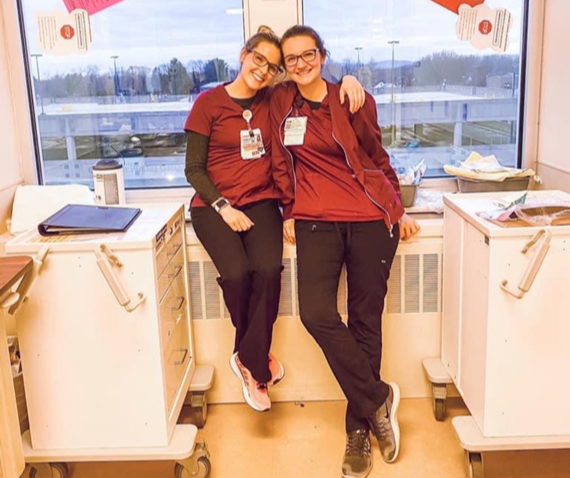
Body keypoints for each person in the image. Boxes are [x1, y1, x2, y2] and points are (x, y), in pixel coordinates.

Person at [183, 27, 365, 413]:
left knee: (267, 270)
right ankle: (256, 361)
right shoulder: (208, 103)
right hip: (213, 206)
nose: (264, 70)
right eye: (258, 59)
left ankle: (247, 359)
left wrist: (348, 78)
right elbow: (194, 169)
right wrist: (222, 207)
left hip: (263, 202)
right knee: (236, 274)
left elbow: (317, 82)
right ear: (243, 54)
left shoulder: (275, 99)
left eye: (273, 66)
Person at [270, 25, 420, 477]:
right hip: (316, 219)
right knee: (315, 312)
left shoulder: (354, 98)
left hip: (371, 219)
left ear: (322, 54)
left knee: (365, 321)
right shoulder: (280, 102)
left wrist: (396, 207)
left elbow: (376, 156)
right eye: (291, 58)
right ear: (284, 65)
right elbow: (279, 161)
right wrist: (287, 210)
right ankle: (378, 398)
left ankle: (359, 430)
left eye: (308, 54)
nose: (300, 63)